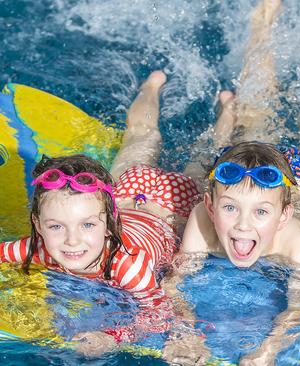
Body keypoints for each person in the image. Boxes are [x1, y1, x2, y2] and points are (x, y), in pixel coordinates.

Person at [160, 0, 300, 364]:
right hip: (259, 173)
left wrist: (266, 351)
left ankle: (263, 25)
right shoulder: (201, 220)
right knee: (244, 129)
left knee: (265, 112)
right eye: (230, 208)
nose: (242, 224)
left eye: (261, 213)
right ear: (210, 205)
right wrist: (184, 331)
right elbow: (174, 285)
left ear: (283, 217)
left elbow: (297, 310)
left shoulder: (298, 246)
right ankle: (233, 100)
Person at [0, 71, 201, 356]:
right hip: (126, 192)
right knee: (139, 138)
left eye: (87, 226)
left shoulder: (127, 266)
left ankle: (223, 113)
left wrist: (112, 337)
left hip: (169, 205)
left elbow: (159, 314)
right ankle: (151, 86)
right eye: (56, 227)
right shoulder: (37, 247)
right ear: (38, 225)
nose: (72, 241)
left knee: (199, 165)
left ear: (109, 224)